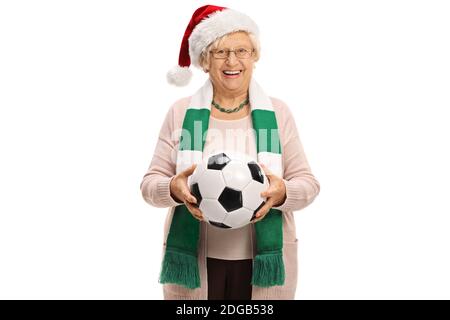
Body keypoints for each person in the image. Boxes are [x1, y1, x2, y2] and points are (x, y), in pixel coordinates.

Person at [140, 5, 320, 300]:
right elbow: (149, 185)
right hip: (195, 263)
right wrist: (172, 188)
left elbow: (308, 184)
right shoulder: (182, 113)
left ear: (255, 57)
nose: (232, 61)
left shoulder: (277, 113)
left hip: (263, 265)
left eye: (242, 50)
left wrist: (282, 192)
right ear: (204, 60)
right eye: (220, 51)